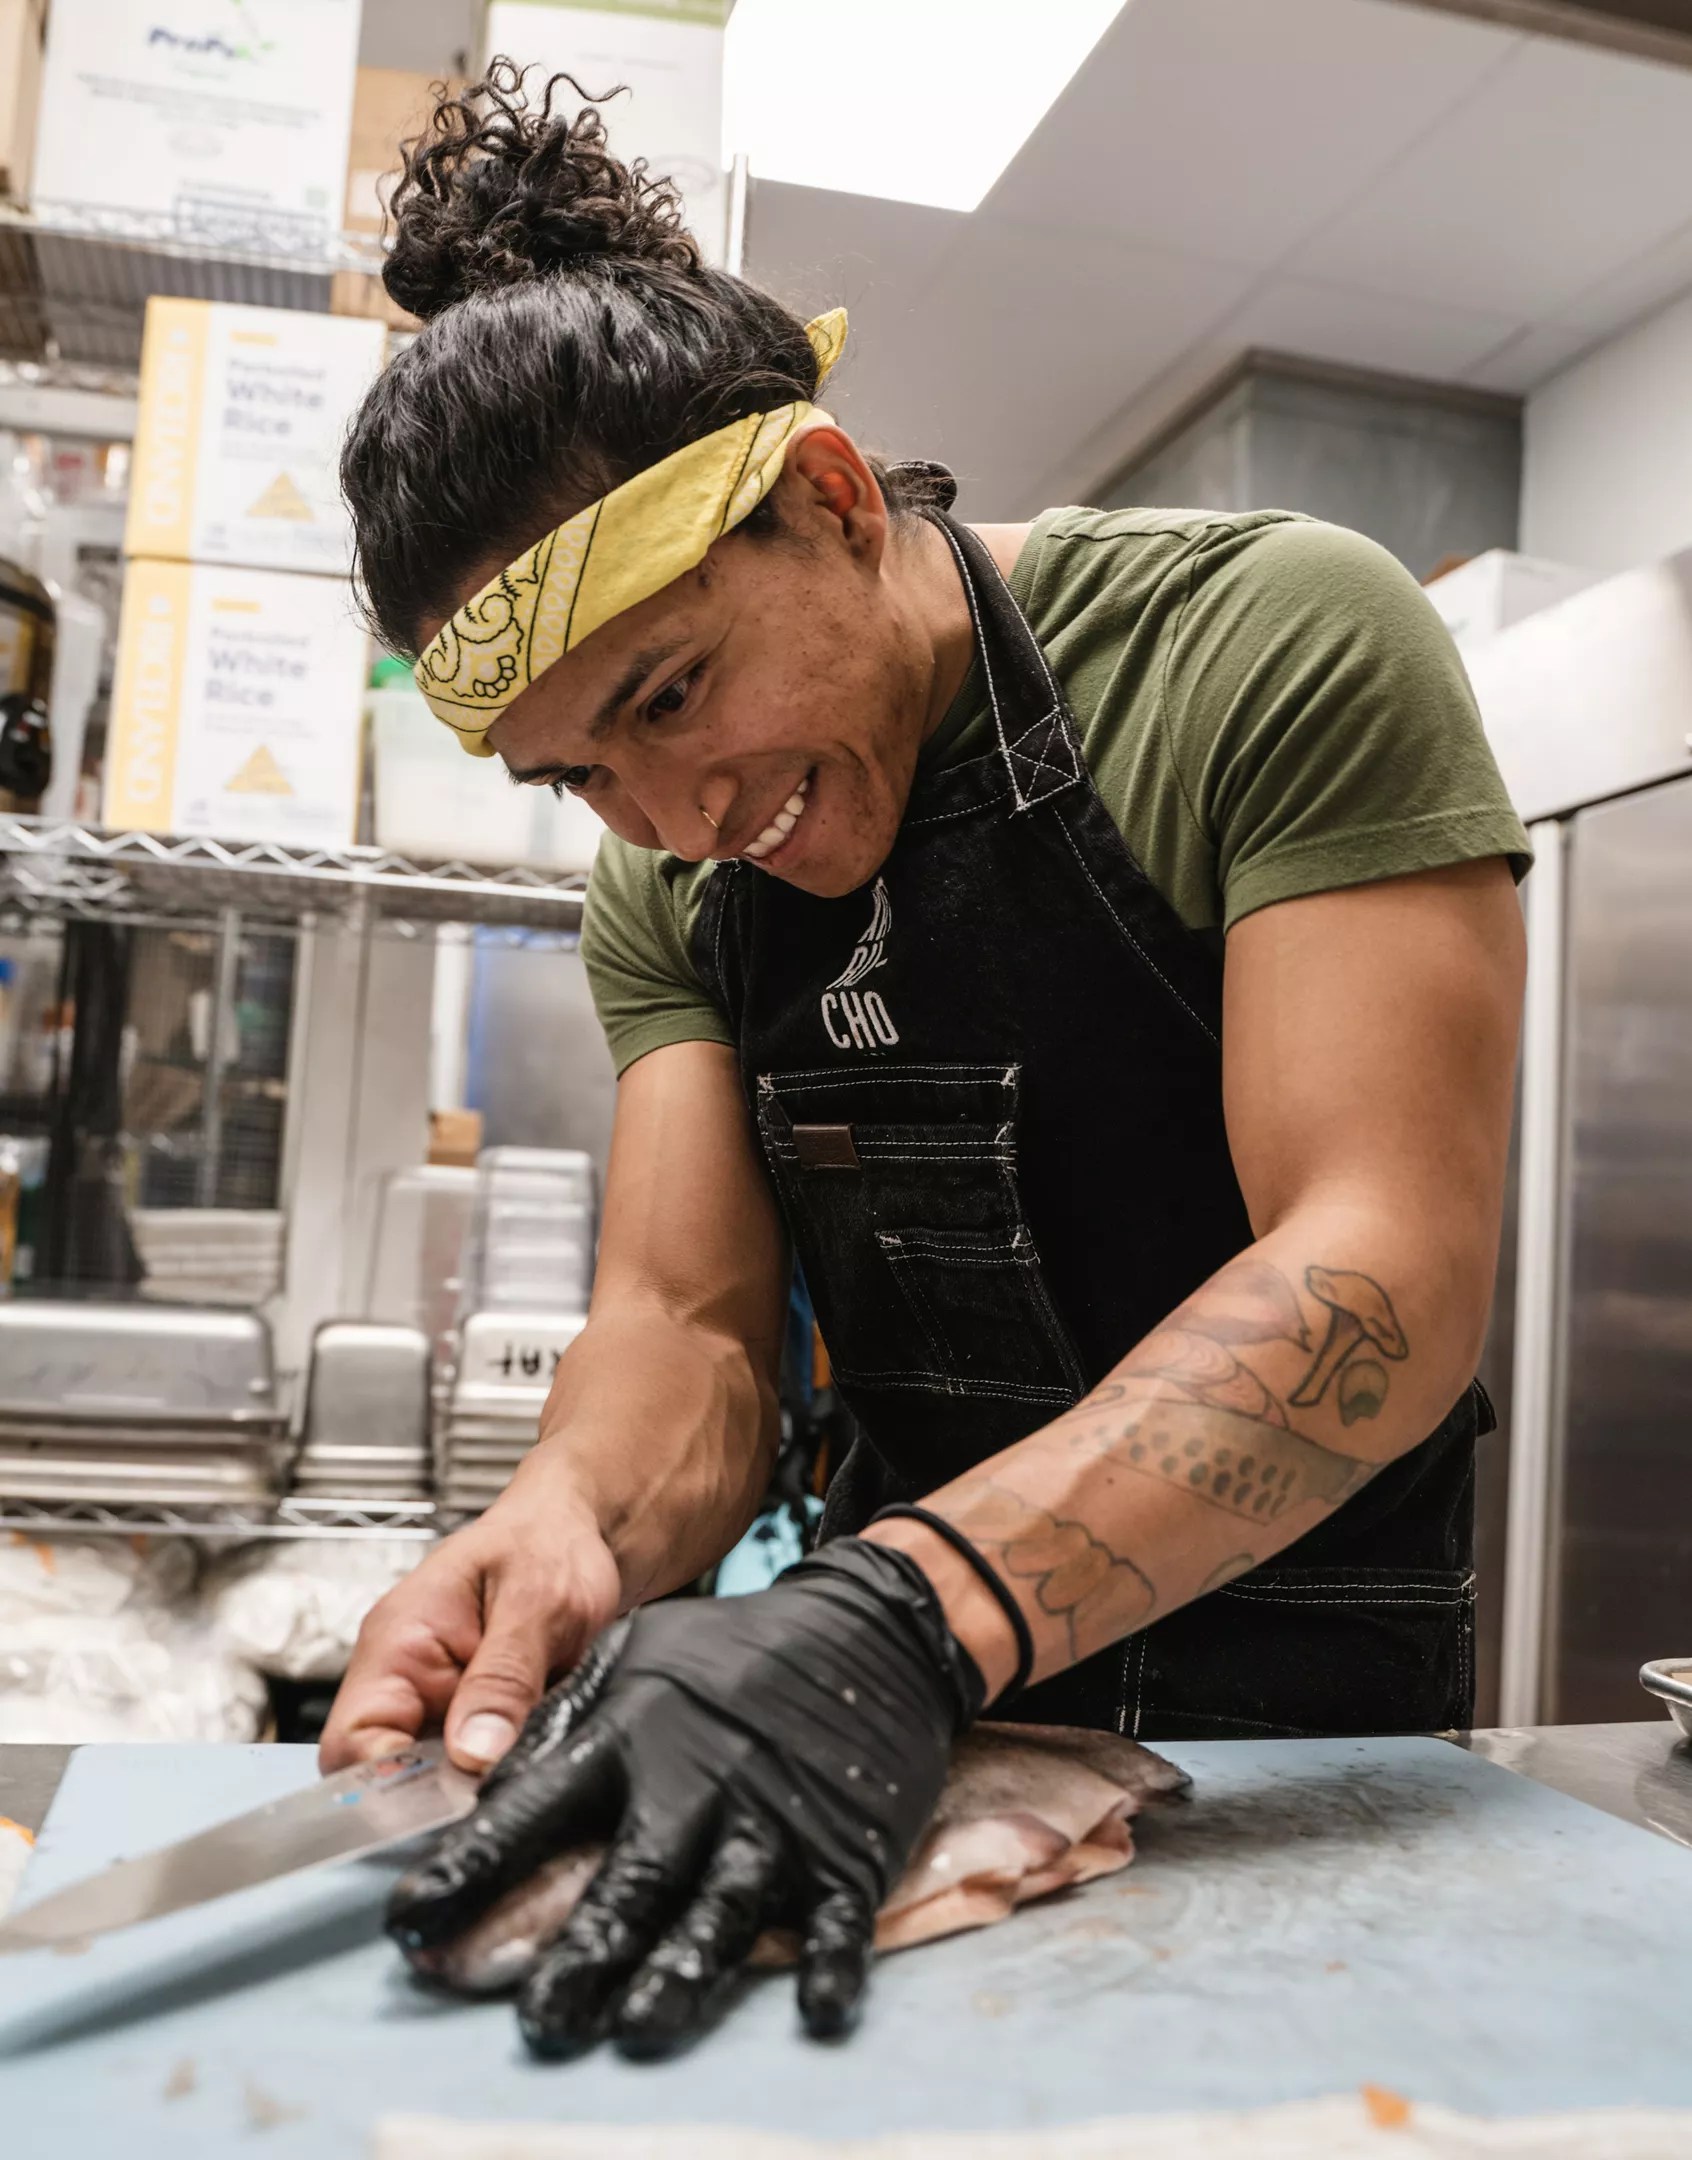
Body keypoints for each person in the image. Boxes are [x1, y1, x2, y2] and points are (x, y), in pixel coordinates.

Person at [322, 64, 1530, 2059]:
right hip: (884, 1748)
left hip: (1307, 1742)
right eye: (578, 775)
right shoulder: (673, 886)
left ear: (836, 497)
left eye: (671, 695)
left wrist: (901, 1605)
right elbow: (689, 1329)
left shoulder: (1268, 647)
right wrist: (571, 1521)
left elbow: (1381, 1268)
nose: (674, 817)